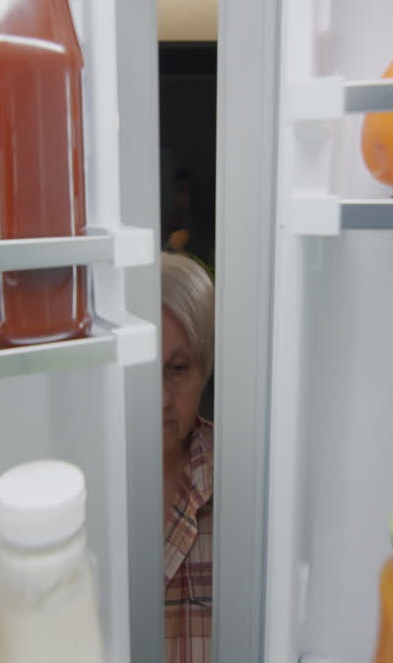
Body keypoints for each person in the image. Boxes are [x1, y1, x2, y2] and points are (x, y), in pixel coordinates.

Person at [161, 252, 215, 663]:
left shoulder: (242, 481)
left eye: (178, 369)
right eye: (143, 367)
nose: (160, 398)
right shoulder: (82, 488)